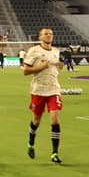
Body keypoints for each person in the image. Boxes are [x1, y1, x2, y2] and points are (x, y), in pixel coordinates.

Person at [22, 27, 64, 163]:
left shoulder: (56, 51)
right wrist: (40, 67)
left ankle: (55, 153)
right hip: (38, 90)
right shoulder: (34, 51)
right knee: (36, 120)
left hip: (53, 89)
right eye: (46, 34)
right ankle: (31, 143)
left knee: (55, 119)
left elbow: (55, 67)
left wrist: (59, 65)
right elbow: (26, 71)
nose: (49, 35)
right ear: (40, 37)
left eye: (51, 34)